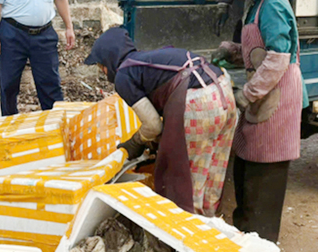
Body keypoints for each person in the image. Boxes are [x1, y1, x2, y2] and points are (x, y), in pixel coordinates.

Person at [206, 0, 307, 242]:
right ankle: (246, 232)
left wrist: (246, 94)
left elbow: (277, 59)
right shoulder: (255, 3)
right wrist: (233, 51)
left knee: (265, 175)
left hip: (276, 98)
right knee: (247, 166)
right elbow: (258, 50)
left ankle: (262, 241)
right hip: (263, 95)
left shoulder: (273, 5)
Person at [84, 28, 237, 217]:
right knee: (214, 172)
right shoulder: (147, 59)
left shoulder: (124, 75)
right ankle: (213, 226)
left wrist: (136, 141)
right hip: (224, 90)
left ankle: (190, 236)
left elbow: (153, 125)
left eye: (101, 66)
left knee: (190, 183)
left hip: (200, 103)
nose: (103, 71)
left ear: (109, 59)